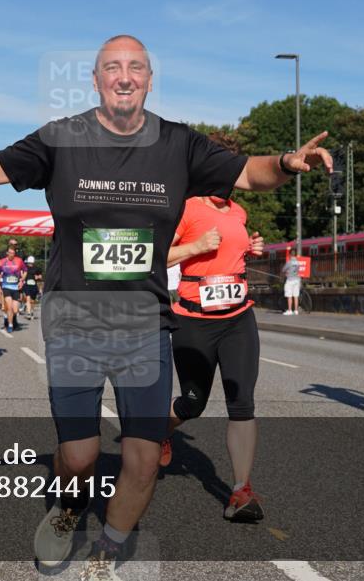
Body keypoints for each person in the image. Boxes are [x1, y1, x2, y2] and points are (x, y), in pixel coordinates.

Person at [0, 34, 330, 579]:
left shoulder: (180, 144)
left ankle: (109, 549)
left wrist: (286, 161)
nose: (124, 76)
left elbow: (249, 173)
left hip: (144, 325)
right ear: (95, 81)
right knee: (80, 457)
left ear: (149, 81)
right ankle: (69, 506)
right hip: (74, 323)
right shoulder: (62, 139)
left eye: (136, 67)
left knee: (142, 460)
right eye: (112, 67)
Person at [162, 169, 267, 523]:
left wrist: (250, 249)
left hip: (238, 318)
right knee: (193, 403)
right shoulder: (186, 208)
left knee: (242, 402)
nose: (225, 183)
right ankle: (162, 431)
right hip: (194, 321)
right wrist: (196, 247)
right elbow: (155, 256)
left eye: (231, 176)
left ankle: (241, 491)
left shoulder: (239, 212)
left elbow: (229, 256)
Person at [0, 243, 26, 333]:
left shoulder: (19, 261)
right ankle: (10, 325)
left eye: (13, 253)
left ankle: (7, 317)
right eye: (10, 253)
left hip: (16, 288)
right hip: (6, 287)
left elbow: (25, 271)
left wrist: (22, 280)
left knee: (15, 310)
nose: (11, 255)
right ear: (7, 253)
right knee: (9, 307)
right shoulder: (2, 261)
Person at [281, 246, 302, 315]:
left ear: (290, 254)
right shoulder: (298, 263)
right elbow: (297, 271)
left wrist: (287, 272)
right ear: (295, 254)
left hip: (290, 280)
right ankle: (296, 310)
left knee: (289, 295)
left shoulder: (289, 262)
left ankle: (290, 310)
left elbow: (283, 270)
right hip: (297, 280)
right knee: (296, 296)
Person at [21, 255, 40, 320]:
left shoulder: (37, 268)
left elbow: (40, 276)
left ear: (33, 263)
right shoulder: (25, 268)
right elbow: (22, 275)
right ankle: (28, 313)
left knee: (32, 301)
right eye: (29, 263)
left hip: (34, 286)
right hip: (27, 285)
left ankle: (32, 311)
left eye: (31, 263)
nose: (30, 264)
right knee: (28, 299)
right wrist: (22, 280)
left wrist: (38, 277)